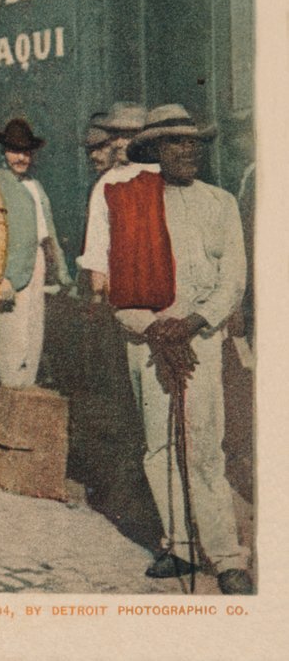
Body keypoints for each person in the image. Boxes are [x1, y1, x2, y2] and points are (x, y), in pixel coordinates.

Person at [105, 104, 252, 595]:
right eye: (174, 142)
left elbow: (232, 279)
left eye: (193, 142)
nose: (187, 150)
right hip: (146, 339)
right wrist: (154, 330)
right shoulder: (129, 203)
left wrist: (189, 324)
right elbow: (118, 288)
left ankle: (226, 555)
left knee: (206, 446)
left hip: (202, 342)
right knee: (160, 446)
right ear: (154, 152)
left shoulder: (221, 202)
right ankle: (182, 546)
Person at [0, 119, 70, 389]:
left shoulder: (36, 186)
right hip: (11, 272)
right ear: (4, 152)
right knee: (13, 339)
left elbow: (49, 232)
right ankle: (11, 407)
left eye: (26, 152)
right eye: (14, 151)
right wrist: (0, 278)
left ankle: (26, 403)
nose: (21, 157)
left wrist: (61, 272)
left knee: (34, 336)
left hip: (37, 265)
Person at [77, 102, 151, 298]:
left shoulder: (164, 176)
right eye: (115, 135)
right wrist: (98, 293)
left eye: (127, 135)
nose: (118, 142)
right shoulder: (106, 183)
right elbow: (97, 244)